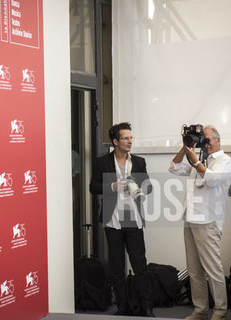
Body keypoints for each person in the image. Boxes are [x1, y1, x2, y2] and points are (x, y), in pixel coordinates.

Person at [169, 125, 231, 320]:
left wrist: (196, 160)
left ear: (217, 140)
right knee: (194, 269)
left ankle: (220, 311)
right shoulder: (197, 158)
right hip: (190, 218)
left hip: (208, 220)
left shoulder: (224, 160)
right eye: (202, 139)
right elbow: (173, 167)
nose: (205, 143)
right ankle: (200, 310)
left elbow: (212, 180)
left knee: (212, 269)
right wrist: (186, 146)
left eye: (207, 139)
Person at [90, 122, 152, 316]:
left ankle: (146, 308)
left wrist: (142, 188)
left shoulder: (139, 162)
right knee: (117, 268)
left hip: (133, 220)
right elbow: (93, 187)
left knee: (140, 266)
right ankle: (123, 308)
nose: (130, 141)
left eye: (131, 138)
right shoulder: (103, 162)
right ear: (115, 141)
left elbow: (148, 186)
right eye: (125, 138)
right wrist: (112, 186)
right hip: (112, 221)